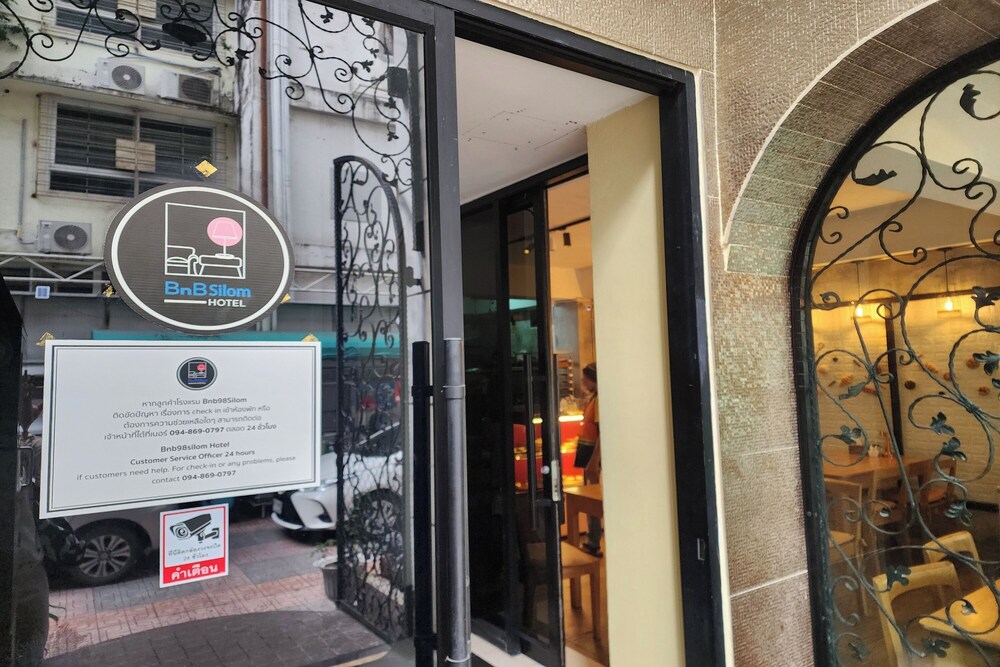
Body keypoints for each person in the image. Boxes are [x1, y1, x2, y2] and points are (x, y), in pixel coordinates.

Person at [579, 363, 602, 557]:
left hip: (593, 456)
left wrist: (594, 461)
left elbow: (602, 432)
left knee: (593, 500)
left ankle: (593, 541)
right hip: (589, 454)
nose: (583, 381)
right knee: (591, 499)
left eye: (586, 378)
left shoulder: (599, 401)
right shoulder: (593, 399)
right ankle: (592, 540)